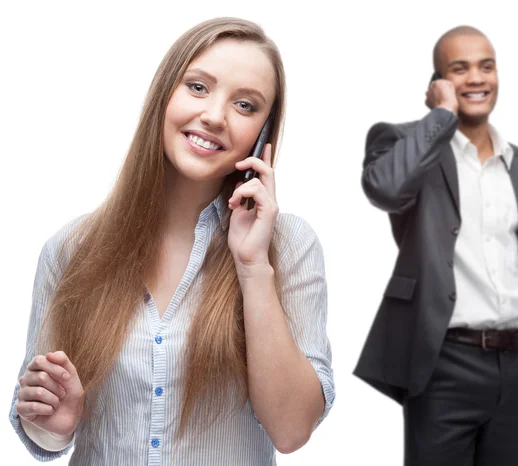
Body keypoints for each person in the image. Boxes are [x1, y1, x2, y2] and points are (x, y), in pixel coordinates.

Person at [9, 17, 334, 465]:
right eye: (198, 88)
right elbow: (43, 431)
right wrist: (52, 424)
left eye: (245, 105)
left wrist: (252, 266)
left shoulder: (288, 245)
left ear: (263, 135)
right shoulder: (71, 248)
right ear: (164, 94)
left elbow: (292, 428)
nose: (215, 116)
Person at [354, 26, 518, 466]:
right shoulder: (402, 142)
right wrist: (441, 116)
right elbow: (386, 190)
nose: (476, 78)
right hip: (444, 364)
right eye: (460, 67)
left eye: (486, 66)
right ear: (440, 81)